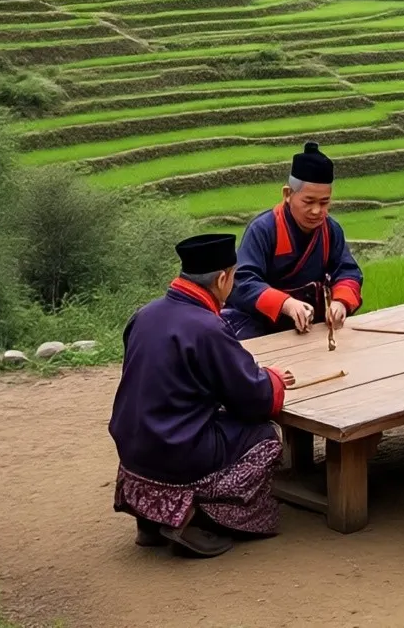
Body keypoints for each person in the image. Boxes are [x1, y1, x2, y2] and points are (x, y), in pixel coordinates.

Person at [109, 233, 293, 557]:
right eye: (233, 277)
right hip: (176, 449)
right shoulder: (207, 326)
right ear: (222, 279)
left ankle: (149, 519)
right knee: (264, 436)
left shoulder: (144, 315)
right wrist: (272, 379)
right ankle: (195, 516)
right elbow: (253, 398)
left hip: (133, 446)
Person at [222, 142, 364, 341]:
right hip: (260, 325)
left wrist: (340, 302)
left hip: (309, 324)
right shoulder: (263, 230)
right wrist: (286, 304)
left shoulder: (330, 230)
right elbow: (243, 281)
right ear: (288, 194)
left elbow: (348, 271)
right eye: (308, 201)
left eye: (324, 202)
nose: (317, 210)